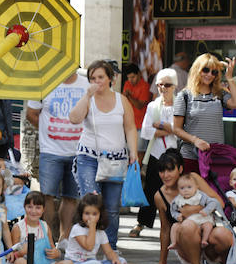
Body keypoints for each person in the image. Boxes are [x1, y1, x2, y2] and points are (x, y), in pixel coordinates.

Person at [69, 60, 139, 249]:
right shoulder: (88, 99)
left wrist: (133, 152)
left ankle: (111, 248)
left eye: (100, 77)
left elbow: (130, 127)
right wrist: (87, 96)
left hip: (116, 159)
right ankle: (87, 247)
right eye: (92, 78)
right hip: (89, 158)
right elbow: (74, 118)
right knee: (90, 202)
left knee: (112, 207)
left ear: (110, 79)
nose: (97, 81)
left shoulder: (121, 100)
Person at [26, 67, 89, 241]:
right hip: (50, 151)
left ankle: (64, 239)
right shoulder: (44, 82)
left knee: (71, 197)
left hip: (78, 151)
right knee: (47, 196)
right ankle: (47, 238)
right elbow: (31, 114)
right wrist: (48, 130)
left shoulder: (86, 84)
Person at [154, 150, 234, 264]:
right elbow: (165, 229)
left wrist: (194, 209)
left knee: (224, 235)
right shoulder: (159, 196)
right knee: (187, 225)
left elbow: (219, 202)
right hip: (186, 240)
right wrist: (162, 261)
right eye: (162, 171)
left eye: (170, 170)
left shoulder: (193, 179)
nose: (165, 175)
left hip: (207, 232)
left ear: (180, 169)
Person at [173, 53, 236, 174]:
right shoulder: (184, 95)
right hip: (191, 157)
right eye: (205, 70)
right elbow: (176, 129)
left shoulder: (220, 93)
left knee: (214, 187)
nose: (209, 74)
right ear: (197, 70)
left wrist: (229, 78)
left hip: (215, 157)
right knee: (191, 187)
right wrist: (195, 140)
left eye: (214, 72)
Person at [131, 68, 178, 238]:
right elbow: (145, 131)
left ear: (174, 86)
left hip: (174, 154)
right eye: (160, 85)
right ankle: (142, 222)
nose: (163, 88)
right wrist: (169, 130)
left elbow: (181, 130)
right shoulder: (153, 106)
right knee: (150, 189)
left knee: (175, 190)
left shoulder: (180, 105)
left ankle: (174, 224)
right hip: (156, 153)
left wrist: (160, 127)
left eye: (167, 85)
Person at [10, 191, 76, 264]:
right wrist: (21, 253)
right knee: (20, 262)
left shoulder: (45, 226)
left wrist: (56, 253)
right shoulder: (18, 227)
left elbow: (53, 248)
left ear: (43, 209)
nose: (33, 211)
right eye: (30, 207)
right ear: (24, 207)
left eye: (38, 208)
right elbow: (12, 257)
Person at [66, 193, 130, 264]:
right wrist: (92, 227)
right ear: (81, 213)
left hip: (93, 263)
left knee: (122, 261)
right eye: (87, 213)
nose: (90, 217)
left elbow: (109, 252)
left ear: (100, 215)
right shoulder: (77, 228)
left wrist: (115, 259)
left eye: (94, 214)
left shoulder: (101, 232)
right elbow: (89, 247)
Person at [170, 172, 222, 250]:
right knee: (174, 226)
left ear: (196, 187)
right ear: (178, 189)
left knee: (208, 225)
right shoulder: (178, 199)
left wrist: (206, 210)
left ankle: (204, 240)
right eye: (182, 188)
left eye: (189, 187)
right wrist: (177, 215)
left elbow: (213, 202)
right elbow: (173, 210)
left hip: (202, 219)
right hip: (187, 222)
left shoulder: (200, 196)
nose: (186, 190)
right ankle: (174, 242)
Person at [122, 63, 152, 163]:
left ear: (139, 74)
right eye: (129, 77)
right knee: (127, 151)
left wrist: (129, 96)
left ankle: (137, 171)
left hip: (140, 124)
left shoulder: (145, 86)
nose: (131, 80)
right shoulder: (127, 84)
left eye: (133, 77)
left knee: (139, 151)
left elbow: (140, 105)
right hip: (128, 124)